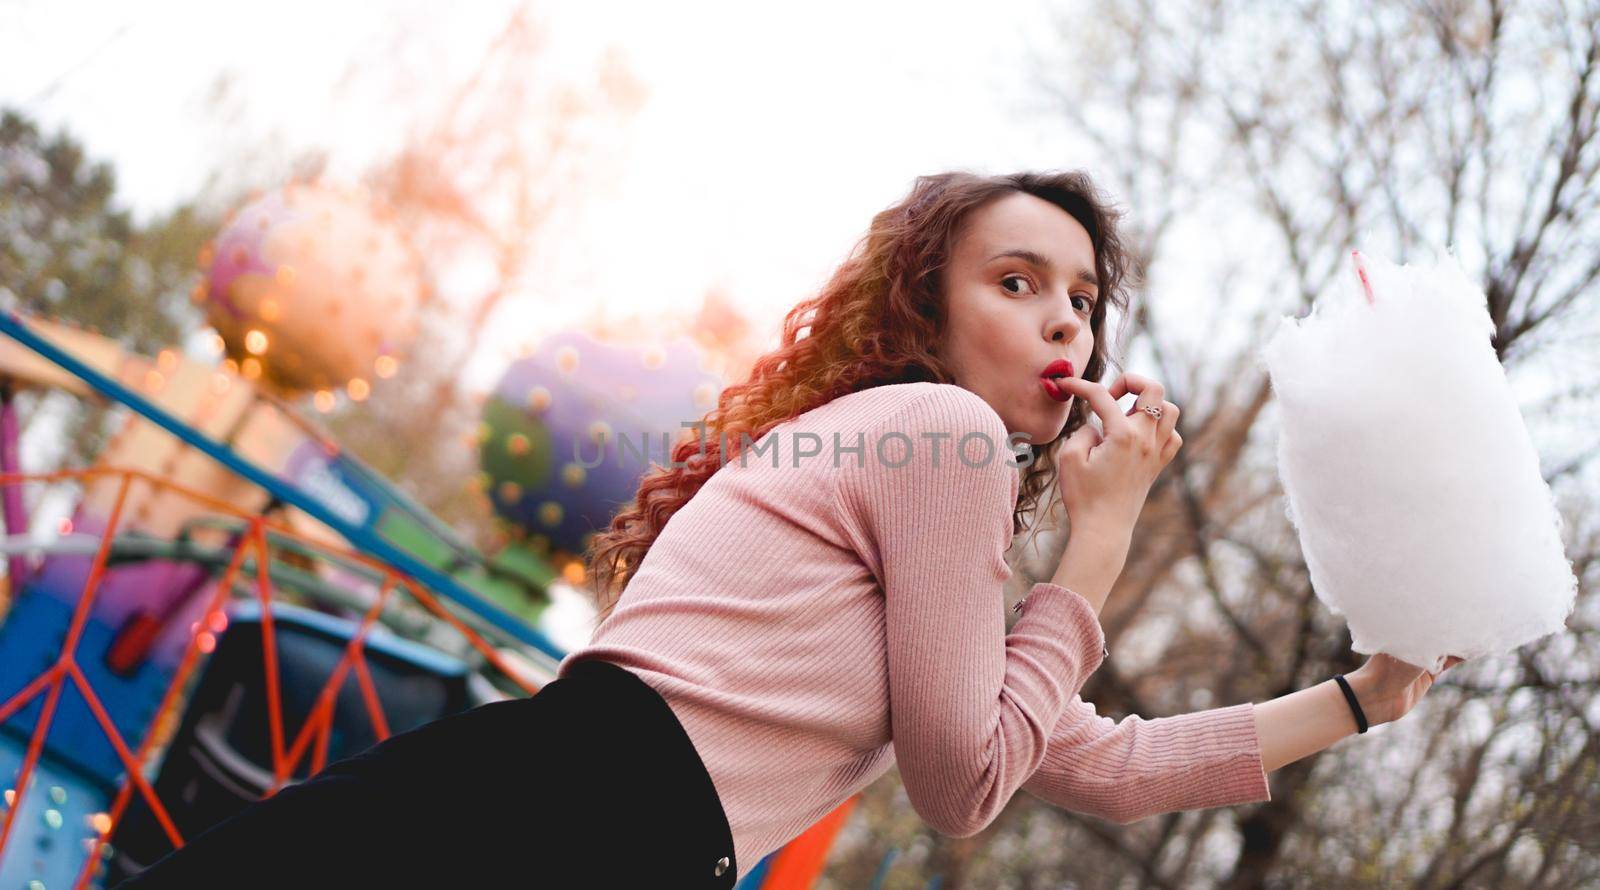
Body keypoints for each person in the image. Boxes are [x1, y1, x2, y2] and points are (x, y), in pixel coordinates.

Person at [115, 171, 1463, 889]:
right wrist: (1100, 541)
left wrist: (1362, 697)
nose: (1069, 319)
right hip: (584, 816)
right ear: (929, 319)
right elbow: (962, 784)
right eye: (1018, 279)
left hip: (582, 812)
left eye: (1086, 297)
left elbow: (1096, 760)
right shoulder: (936, 435)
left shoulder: (931, 499)